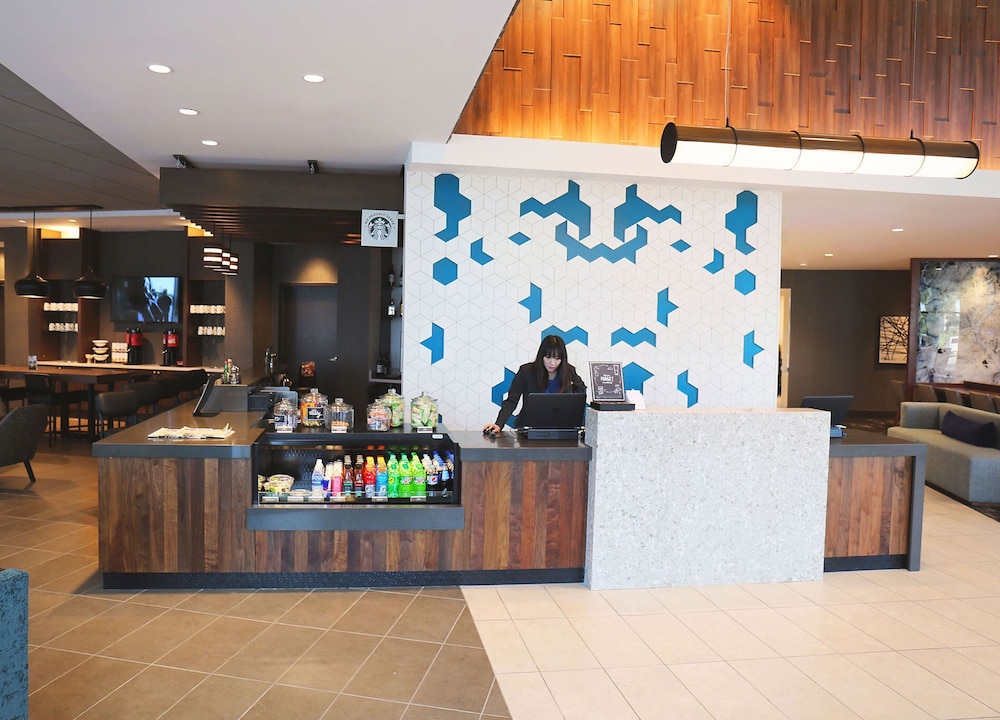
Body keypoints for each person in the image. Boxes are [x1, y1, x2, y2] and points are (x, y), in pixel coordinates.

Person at [483, 334, 587, 434]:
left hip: (561, 429)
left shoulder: (569, 371)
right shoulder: (526, 371)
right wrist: (499, 424)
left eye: (557, 358)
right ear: (541, 355)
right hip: (529, 428)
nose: (552, 363)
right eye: (548, 357)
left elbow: (580, 393)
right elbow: (511, 401)